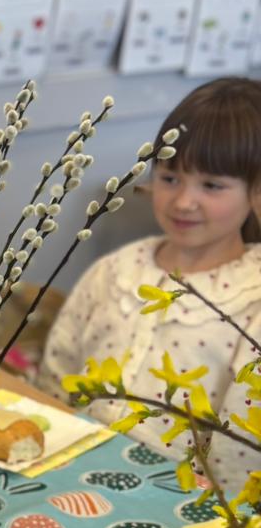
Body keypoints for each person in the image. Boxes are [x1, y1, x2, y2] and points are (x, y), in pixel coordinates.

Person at [41, 76, 261, 496]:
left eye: (212, 185)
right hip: (65, 477)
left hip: (181, 507)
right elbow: (58, 373)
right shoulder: (115, 270)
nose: (183, 202)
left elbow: (239, 460)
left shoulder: (252, 299)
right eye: (170, 177)